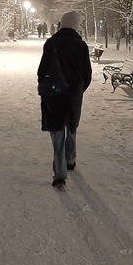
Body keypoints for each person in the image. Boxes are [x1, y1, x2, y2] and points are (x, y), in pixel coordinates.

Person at [37, 10, 92, 189]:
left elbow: (41, 70)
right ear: (75, 25)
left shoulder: (51, 43)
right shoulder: (81, 45)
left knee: (57, 131)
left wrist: (48, 85)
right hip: (74, 93)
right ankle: (71, 159)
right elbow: (87, 74)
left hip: (54, 93)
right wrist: (78, 89)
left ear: (61, 23)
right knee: (72, 126)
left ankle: (59, 175)